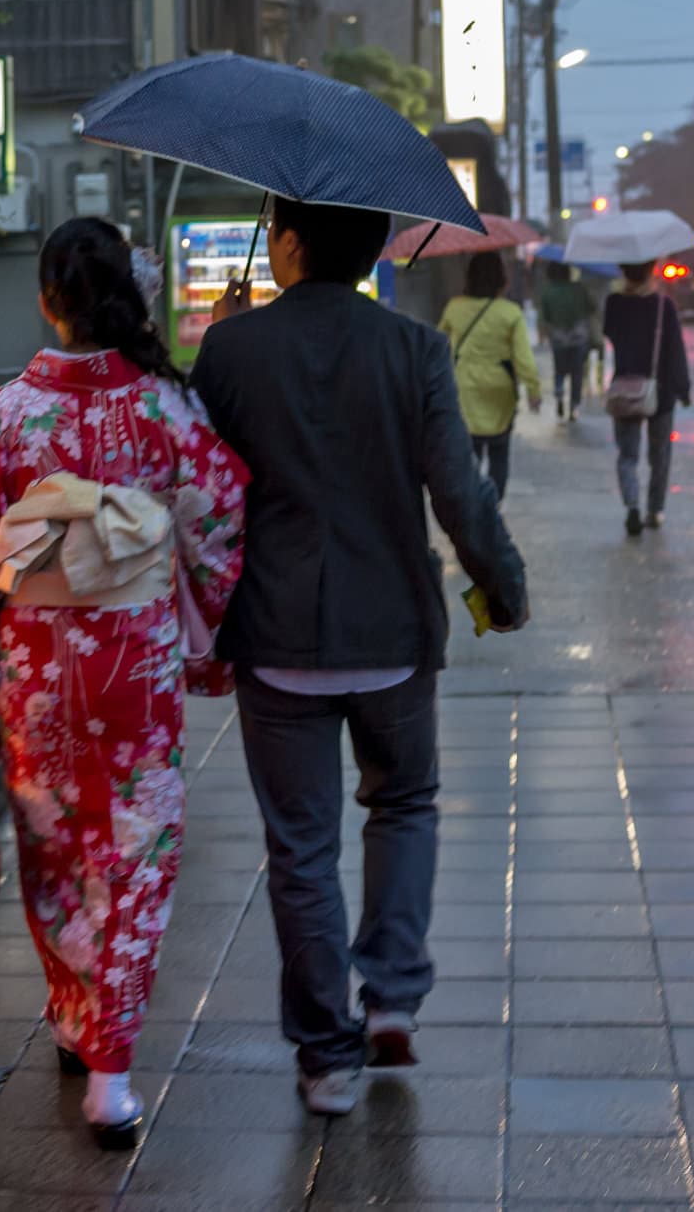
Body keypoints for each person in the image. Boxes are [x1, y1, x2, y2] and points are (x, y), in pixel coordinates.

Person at [0, 218, 249, 1150]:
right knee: (134, 854)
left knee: (56, 854)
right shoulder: (168, 406)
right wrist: (204, 638)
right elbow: (217, 517)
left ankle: (69, 1016)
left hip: (37, 674)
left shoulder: (11, 412)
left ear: (49, 299)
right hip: (133, 665)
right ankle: (113, 1071)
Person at [193, 198, 528, 1118]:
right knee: (406, 803)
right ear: (378, 248)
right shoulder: (415, 347)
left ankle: (325, 1056)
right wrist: (504, 585)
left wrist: (221, 348)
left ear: (289, 244)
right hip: (393, 635)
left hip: (275, 636)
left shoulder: (231, 351)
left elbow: (198, 487)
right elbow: (459, 491)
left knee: (300, 849)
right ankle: (391, 994)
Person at [435, 251, 541, 500]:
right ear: (501, 279)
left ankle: (472, 506)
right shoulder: (510, 312)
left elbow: (438, 347)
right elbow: (523, 359)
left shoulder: (455, 307)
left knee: (469, 455)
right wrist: (533, 391)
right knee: (499, 453)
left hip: (463, 389)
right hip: (500, 391)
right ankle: (493, 505)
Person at [604, 260, 693, 536]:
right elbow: (675, 350)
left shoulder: (614, 303)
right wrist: (683, 388)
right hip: (661, 392)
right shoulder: (663, 306)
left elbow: (609, 332)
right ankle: (655, 510)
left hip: (625, 389)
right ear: (652, 270)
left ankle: (632, 506)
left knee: (627, 454)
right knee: (660, 455)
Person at [537, 261, 594, 419]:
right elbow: (591, 308)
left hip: (558, 338)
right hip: (578, 338)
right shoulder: (578, 288)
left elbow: (545, 317)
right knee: (577, 372)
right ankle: (574, 405)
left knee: (559, 369)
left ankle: (559, 392)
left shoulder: (548, 291)